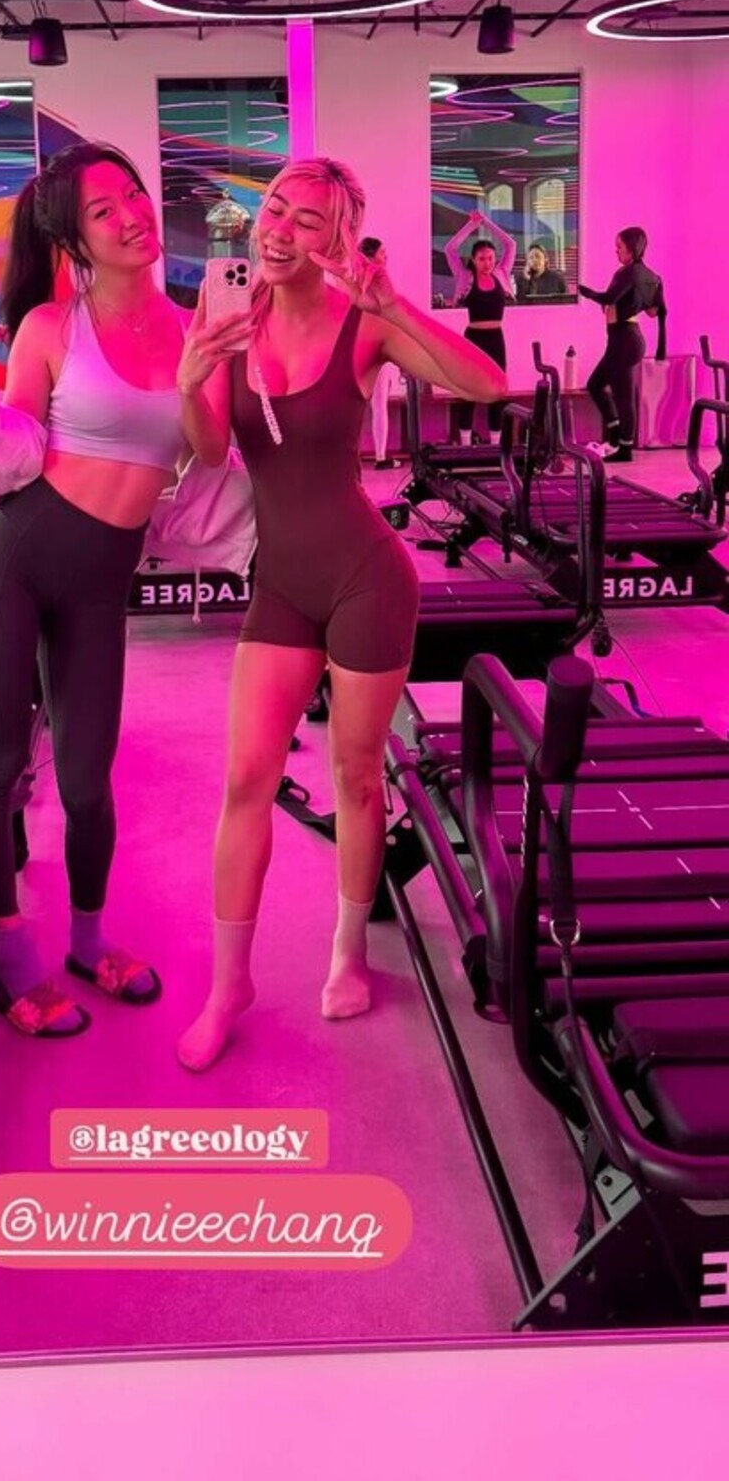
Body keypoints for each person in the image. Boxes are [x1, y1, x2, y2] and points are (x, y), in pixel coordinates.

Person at [0, 142, 249, 1040]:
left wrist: (196, 377)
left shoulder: (197, 326)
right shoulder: (50, 326)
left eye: (134, 195)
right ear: (74, 239)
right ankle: (9, 958)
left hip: (101, 583)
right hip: (12, 560)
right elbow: (5, 457)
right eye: (102, 210)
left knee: (86, 779)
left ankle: (88, 941)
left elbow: (208, 448)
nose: (132, 215)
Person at [174, 156, 507, 1071]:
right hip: (281, 583)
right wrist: (192, 374)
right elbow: (210, 449)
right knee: (247, 778)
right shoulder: (229, 313)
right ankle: (228, 984)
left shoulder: (365, 323)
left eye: (307, 221)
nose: (279, 229)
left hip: (367, 579)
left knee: (357, 777)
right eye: (275, 209)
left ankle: (349, 951)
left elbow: (488, 387)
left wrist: (396, 306)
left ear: (339, 240)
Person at [578, 226, 666, 464]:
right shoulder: (647, 276)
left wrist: (584, 292)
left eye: (620, 247)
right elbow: (653, 311)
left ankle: (625, 448)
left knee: (624, 396)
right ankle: (616, 434)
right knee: (595, 385)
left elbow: (609, 298)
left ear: (632, 248)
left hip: (625, 340)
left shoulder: (631, 274)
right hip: (624, 339)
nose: (616, 251)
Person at [442, 210, 516, 444]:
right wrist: (472, 226)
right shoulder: (465, 277)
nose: (487, 263)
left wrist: (487, 223)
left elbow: (510, 244)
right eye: (482, 258)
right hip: (474, 337)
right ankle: (465, 443)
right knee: (469, 390)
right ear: (473, 260)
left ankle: (495, 443)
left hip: (496, 339)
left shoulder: (501, 273)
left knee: (497, 390)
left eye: (491, 258)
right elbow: (450, 249)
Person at [360, 238, 397, 468]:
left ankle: (372, 456)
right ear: (371, 256)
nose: (386, 257)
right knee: (379, 402)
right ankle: (381, 456)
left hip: (364, 344)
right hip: (375, 344)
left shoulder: (357, 278)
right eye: (382, 253)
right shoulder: (375, 279)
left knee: (364, 404)